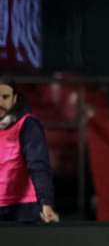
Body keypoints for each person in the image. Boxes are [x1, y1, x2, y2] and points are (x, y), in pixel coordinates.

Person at [0, 78, 59, 223]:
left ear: (14, 99)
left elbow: (38, 166)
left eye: (5, 97)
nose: (0, 102)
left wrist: (46, 203)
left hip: (24, 209)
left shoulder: (28, 125)